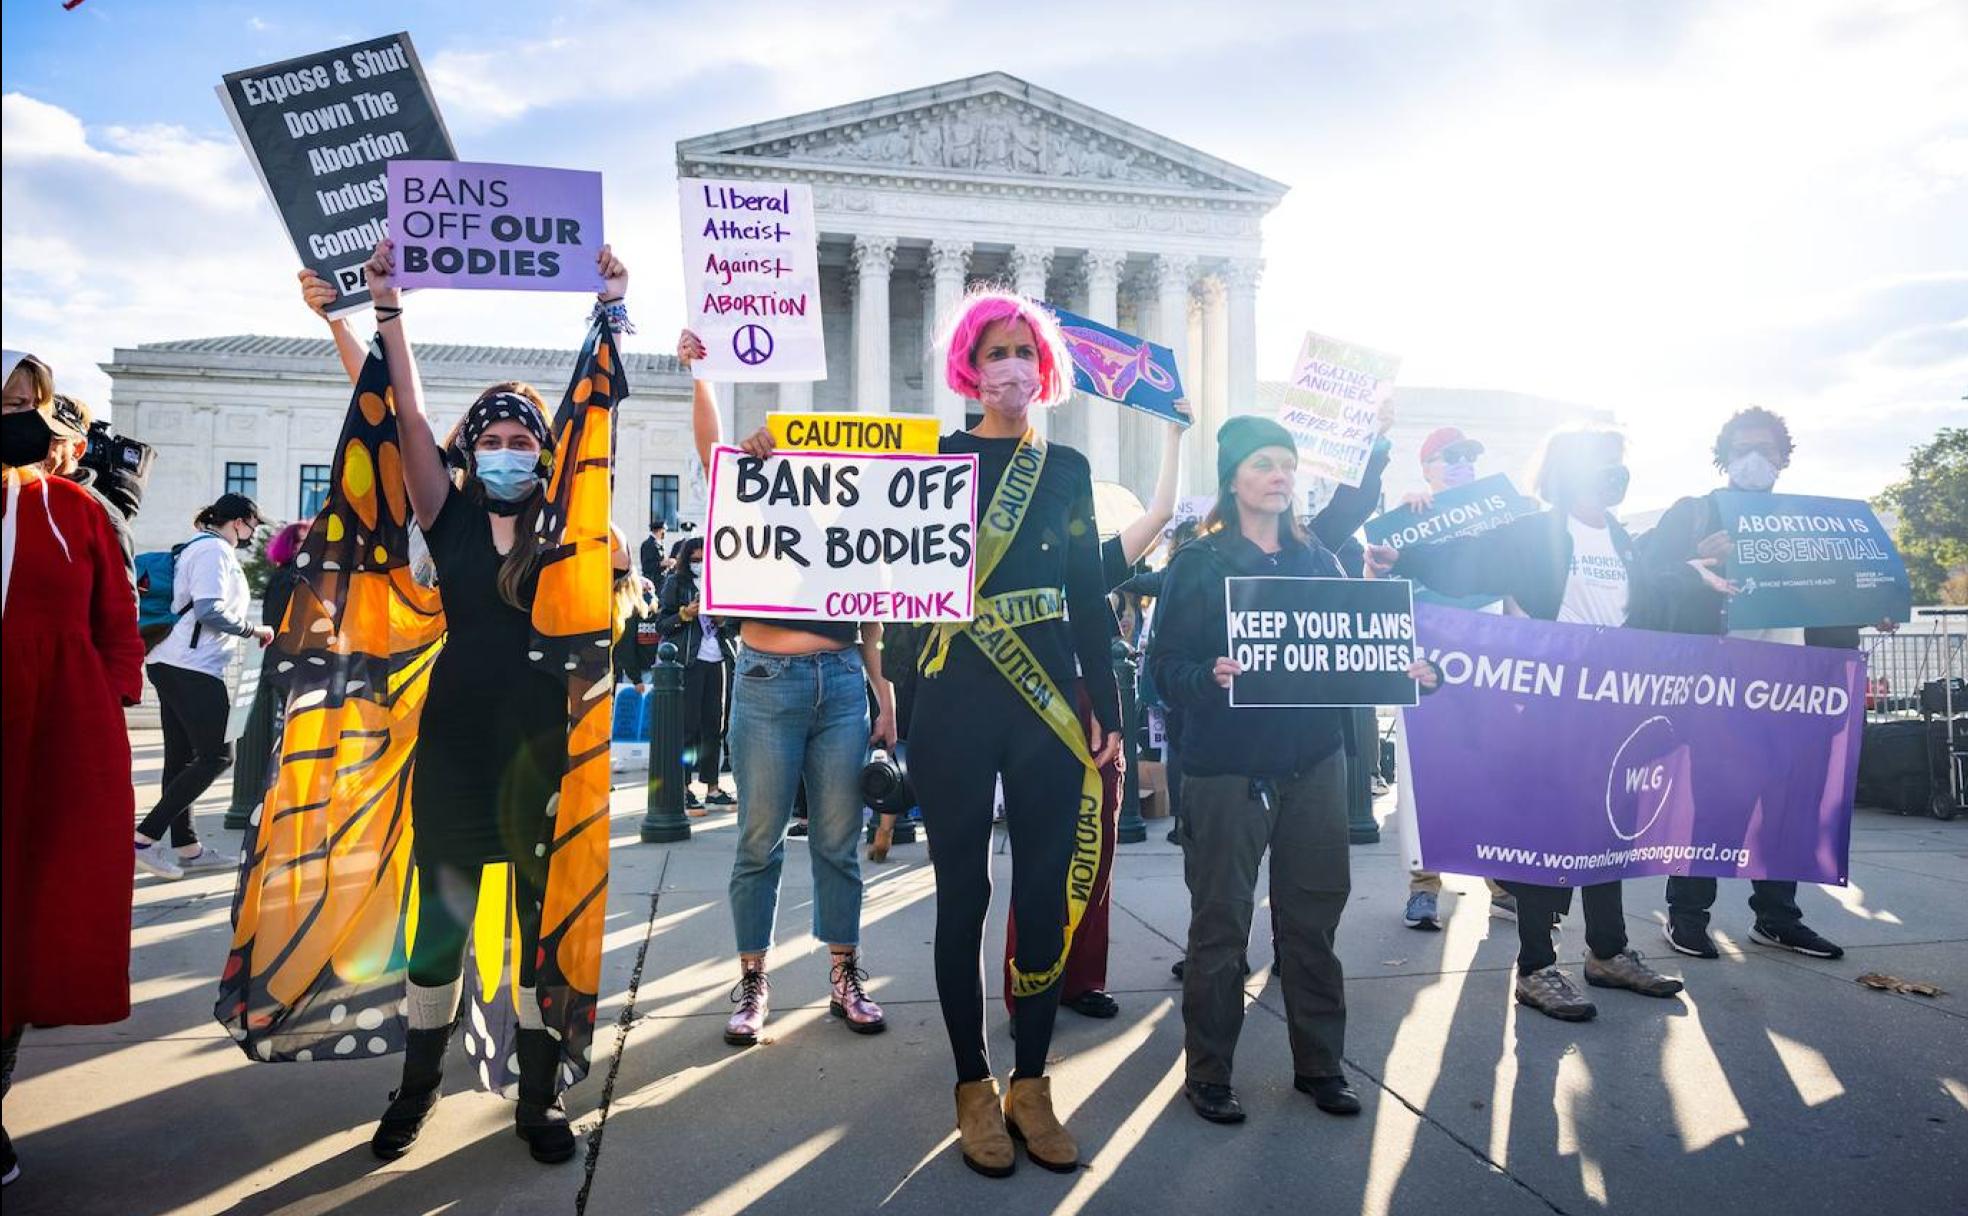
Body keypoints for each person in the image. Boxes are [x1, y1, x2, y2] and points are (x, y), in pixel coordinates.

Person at [349, 239, 630, 1163]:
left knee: (541, 931)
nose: (508, 452)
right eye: (494, 441)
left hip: (545, 751)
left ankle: (540, 1102)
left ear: (545, 454)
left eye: (523, 442)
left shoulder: (566, 531)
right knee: (440, 927)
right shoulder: (448, 513)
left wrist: (608, 310)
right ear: (471, 451)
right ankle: (415, 1088)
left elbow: (596, 411)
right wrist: (388, 308)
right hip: (458, 745)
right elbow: (410, 415)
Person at [1150, 415, 1440, 1125]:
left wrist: (1406, 672)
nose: (1280, 476)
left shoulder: (1318, 560)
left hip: (1313, 765)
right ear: (1234, 479)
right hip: (1227, 772)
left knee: (1312, 925)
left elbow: (1352, 654)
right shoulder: (1198, 565)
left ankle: (1321, 1066)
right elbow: (1161, 672)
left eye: (1287, 464)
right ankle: (1209, 1074)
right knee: (1219, 930)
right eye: (1263, 465)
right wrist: (1206, 677)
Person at [901, 290, 1121, 1178]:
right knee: (964, 897)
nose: (1012, 368)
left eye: (1025, 352)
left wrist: (1106, 700)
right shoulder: (933, 460)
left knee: (1041, 896)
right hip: (952, 702)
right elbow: (845, 531)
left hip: (1045, 708)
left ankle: (1033, 1082)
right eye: (995, 352)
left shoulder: (1064, 468)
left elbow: (1086, 595)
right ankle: (971, 1085)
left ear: (1045, 369)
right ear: (969, 366)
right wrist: (764, 455)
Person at [1365, 428, 1685, 1022]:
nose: (1614, 472)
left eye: (1618, 462)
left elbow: (1649, 608)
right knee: (1545, 835)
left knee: (1609, 829)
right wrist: (1400, 553)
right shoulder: (1535, 533)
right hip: (1547, 706)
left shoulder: (1622, 539)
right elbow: (1465, 567)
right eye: (1602, 463)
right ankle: (1537, 967)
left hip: (1612, 707)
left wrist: (1698, 578)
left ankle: (1608, 953)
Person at [682, 330, 896, 1050]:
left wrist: (882, 692)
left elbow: (870, 611)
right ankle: (752, 982)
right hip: (766, 680)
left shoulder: (854, 519)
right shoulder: (755, 491)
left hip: (839, 682)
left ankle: (843, 974)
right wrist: (702, 373)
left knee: (840, 841)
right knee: (758, 840)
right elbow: (713, 455)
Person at [1630, 407, 1863, 961]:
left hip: (1797, 685)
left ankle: (1778, 917)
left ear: (1784, 457)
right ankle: (1687, 915)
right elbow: (1644, 577)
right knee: (1716, 803)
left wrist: (1869, 609)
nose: (1754, 458)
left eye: (1766, 448)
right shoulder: (1694, 514)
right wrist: (1697, 560)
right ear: (1724, 457)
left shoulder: (1808, 521)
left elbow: (1837, 595)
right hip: (1723, 681)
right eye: (1741, 448)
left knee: (1789, 807)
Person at [2, 349, 145, 1187]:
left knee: (29, 904)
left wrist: (105, 698)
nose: (20, 414)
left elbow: (116, 622)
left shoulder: (77, 510)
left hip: (53, 732)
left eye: (33, 403)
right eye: (7, 401)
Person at [1391, 426, 1515, 931]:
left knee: (1491, 777)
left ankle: (1501, 882)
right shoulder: (1412, 517)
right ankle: (1423, 885)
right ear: (1426, 469)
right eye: (1449, 457)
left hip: (1484, 663)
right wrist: (1406, 512)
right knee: (1423, 779)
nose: (1462, 463)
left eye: (1468, 455)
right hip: (1423, 667)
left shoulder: (1496, 522)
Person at [133, 491, 270, 880]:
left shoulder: (198, 546)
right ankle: (144, 840)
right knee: (219, 756)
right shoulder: (214, 551)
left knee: (180, 759)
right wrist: (253, 629)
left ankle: (187, 847)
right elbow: (209, 608)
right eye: (251, 527)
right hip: (191, 667)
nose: (250, 536)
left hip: (172, 662)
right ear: (239, 521)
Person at [657, 534, 736, 813]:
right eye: (694, 560)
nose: (699, 564)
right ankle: (683, 786)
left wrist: (723, 620)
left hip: (718, 660)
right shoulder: (675, 583)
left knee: (714, 726)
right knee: (687, 727)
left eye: (703, 559)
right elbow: (662, 625)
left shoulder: (722, 582)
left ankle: (712, 787)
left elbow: (735, 626)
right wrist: (684, 614)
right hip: (689, 661)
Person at [45, 394, 135, 580]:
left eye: (51, 437)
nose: (35, 444)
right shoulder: (15, 497)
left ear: (78, 449)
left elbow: (122, 604)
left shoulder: (104, 517)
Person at [640, 518, 670, 584]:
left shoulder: (660, 543)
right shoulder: (648, 544)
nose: (665, 534)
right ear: (659, 531)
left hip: (661, 580)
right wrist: (661, 563)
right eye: (664, 531)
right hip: (653, 580)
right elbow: (646, 566)